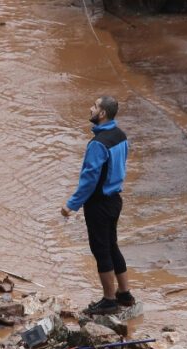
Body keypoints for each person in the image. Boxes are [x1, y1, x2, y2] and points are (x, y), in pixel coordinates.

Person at [60, 95, 134, 315]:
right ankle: (125, 293)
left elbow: (89, 180)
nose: (90, 109)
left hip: (99, 203)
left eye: (94, 106)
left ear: (102, 114)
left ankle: (109, 300)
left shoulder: (97, 145)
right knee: (112, 245)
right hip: (114, 200)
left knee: (100, 249)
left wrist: (71, 205)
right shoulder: (120, 136)